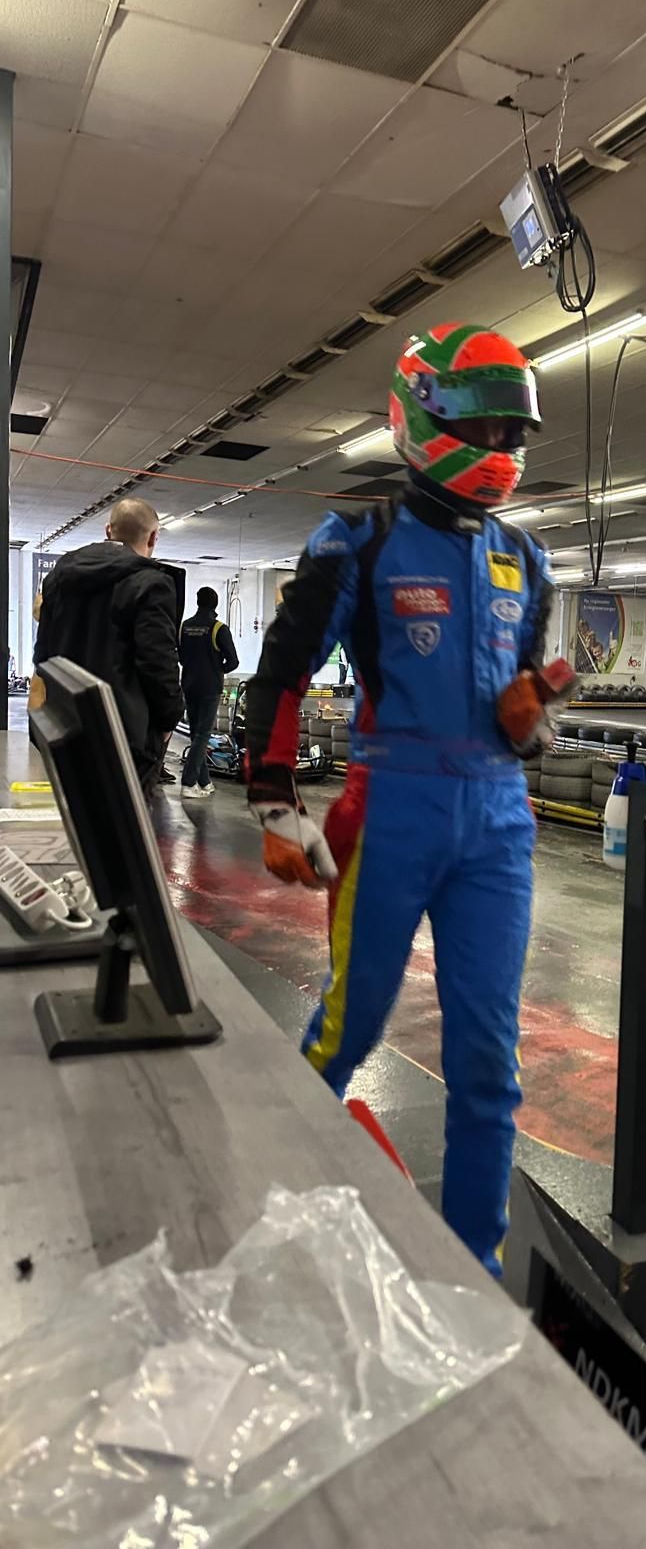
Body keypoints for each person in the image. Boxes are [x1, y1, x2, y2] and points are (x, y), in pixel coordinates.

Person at [245, 323, 574, 1276]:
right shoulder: (361, 541)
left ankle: (476, 1270)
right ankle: (263, 1214)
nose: (503, 448)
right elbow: (282, 673)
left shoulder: (528, 561)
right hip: (391, 810)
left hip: (498, 827)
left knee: (489, 1064)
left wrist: (533, 720)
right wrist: (276, 807)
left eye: (515, 433)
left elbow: (523, 715)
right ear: (421, 417)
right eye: (486, 427)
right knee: (348, 1030)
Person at [34, 498, 184, 798]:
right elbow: (157, 661)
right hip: (126, 735)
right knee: (124, 821)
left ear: (108, 531)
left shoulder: (59, 576)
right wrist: (170, 718)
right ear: (153, 537)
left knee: (78, 815)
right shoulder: (151, 583)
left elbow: (43, 654)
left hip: (67, 728)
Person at [178, 587, 240, 800]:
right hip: (209, 687)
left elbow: (181, 657)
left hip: (189, 685)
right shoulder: (218, 628)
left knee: (196, 734)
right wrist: (216, 669)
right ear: (216, 604)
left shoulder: (185, 626)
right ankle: (188, 783)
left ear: (197, 602)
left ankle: (205, 782)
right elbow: (233, 661)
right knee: (203, 734)